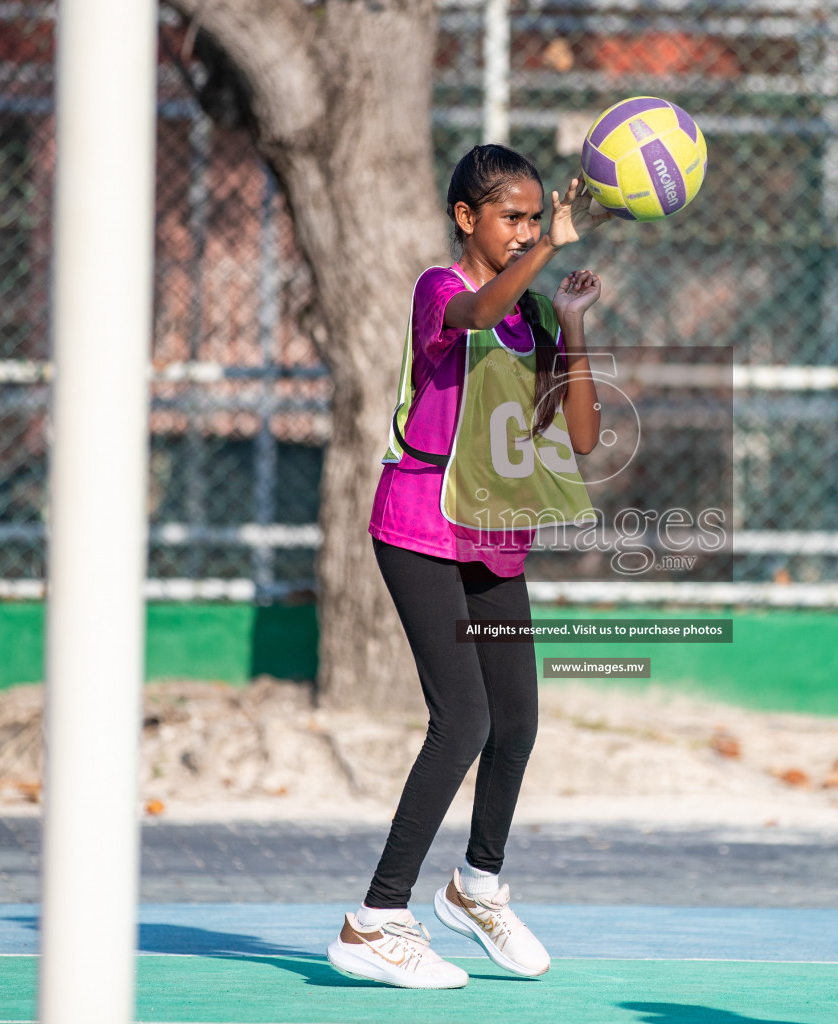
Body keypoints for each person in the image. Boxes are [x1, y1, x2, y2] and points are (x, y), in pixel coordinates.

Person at [325, 144, 609, 990]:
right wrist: (549, 247)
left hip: (492, 534)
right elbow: (480, 313)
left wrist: (575, 323)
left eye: (534, 216)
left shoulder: (534, 318)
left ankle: (476, 888)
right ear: (467, 218)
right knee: (463, 721)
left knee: (516, 722)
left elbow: (584, 436)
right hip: (418, 526)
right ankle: (373, 920)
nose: (525, 229)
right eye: (512, 217)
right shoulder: (440, 292)